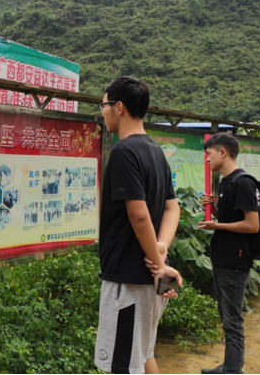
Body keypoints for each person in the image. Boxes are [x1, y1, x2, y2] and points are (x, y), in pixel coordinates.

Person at [95, 76, 183, 375]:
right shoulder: (156, 151)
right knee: (143, 354)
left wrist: (159, 266)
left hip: (128, 279)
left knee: (123, 365)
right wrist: (162, 249)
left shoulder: (124, 151)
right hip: (149, 279)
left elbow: (139, 215)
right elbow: (172, 207)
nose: (103, 112)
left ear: (119, 107)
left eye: (104, 105)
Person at [199, 133, 260, 375]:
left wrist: (217, 225)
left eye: (209, 154)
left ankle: (233, 370)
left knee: (233, 319)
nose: (207, 159)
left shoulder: (243, 182)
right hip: (223, 258)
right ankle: (230, 365)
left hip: (235, 261)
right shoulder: (226, 183)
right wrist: (213, 208)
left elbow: (252, 225)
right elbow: (229, 219)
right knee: (226, 316)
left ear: (222, 152)